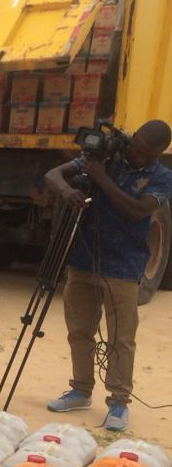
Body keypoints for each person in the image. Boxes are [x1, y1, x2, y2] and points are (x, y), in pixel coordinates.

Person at [44, 119, 172, 431]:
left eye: (144, 153)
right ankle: (80, 389)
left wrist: (101, 178)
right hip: (83, 257)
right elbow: (54, 174)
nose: (135, 156)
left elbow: (135, 211)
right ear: (134, 137)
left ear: (158, 153)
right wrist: (66, 190)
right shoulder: (110, 155)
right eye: (135, 146)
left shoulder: (161, 177)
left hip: (124, 265)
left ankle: (118, 402)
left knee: (121, 338)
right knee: (79, 330)